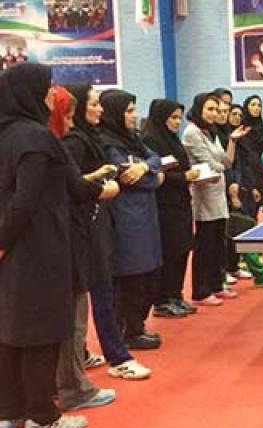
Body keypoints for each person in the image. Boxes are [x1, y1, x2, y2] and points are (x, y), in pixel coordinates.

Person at [0, 63, 88, 428]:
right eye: (48, 87)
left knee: (11, 328)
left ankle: (9, 412)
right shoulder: (36, 137)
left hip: (15, 248)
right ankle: (42, 417)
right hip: (37, 249)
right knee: (41, 330)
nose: (53, 94)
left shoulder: (5, 134)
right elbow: (25, 202)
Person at [62, 84, 152, 380]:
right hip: (83, 229)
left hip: (97, 224)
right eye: (94, 104)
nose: (99, 109)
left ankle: (89, 355)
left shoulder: (92, 138)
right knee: (98, 294)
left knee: (100, 292)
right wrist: (102, 187)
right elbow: (69, 186)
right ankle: (117, 357)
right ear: (76, 109)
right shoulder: (75, 142)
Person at [48, 86, 118, 412]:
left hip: (49, 244)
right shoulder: (57, 144)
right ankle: (73, 388)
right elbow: (71, 188)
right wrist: (100, 185)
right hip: (61, 243)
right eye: (70, 112)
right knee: (72, 320)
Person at [99, 89, 165, 349]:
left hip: (146, 217)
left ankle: (137, 325)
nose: (133, 115)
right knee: (130, 278)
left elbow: (154, 158)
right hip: (125, 220)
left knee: (149, 273)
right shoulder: (107, 142)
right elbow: (127, 176)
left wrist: (146, 167)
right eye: (128, 111)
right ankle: (127, 331)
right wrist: (150, 174)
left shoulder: (134, 138)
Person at [184, 93, 244, 305]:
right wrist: (219, 166)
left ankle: (217, 285)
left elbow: (226, 162)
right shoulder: (191, 133)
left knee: (218, 243)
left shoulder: (211, 133)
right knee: (205, 244)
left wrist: (233, 141)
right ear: (199, 109)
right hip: (202, 195)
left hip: (218, 193)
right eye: (210, 109)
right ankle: (200, 291)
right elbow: (211, 164)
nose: (214, 114)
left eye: (217, 110)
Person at [142, 99, 200, 318]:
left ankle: (176, 294)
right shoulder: (150, 140)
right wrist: (183, 177)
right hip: (164, 205)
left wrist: (192, 174)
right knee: (170, 251)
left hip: (181, 202)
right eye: (173, 118)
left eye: (179, 118)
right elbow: (157, 174)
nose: (177, 122)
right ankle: (162, 300)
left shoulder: (173, 140)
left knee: (183, 249)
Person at [226, 95, 263, 287]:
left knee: (248, 223)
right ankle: (260, 274)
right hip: (234, 187)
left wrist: (253, 185)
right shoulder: (231, 138)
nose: (237, 117)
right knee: (243, 227)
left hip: (250, 181)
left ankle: (236, 265)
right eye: (233, 114)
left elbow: (247, 163)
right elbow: (233, 165)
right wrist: (237, 189)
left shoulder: (255, 132)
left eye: (239, 114)